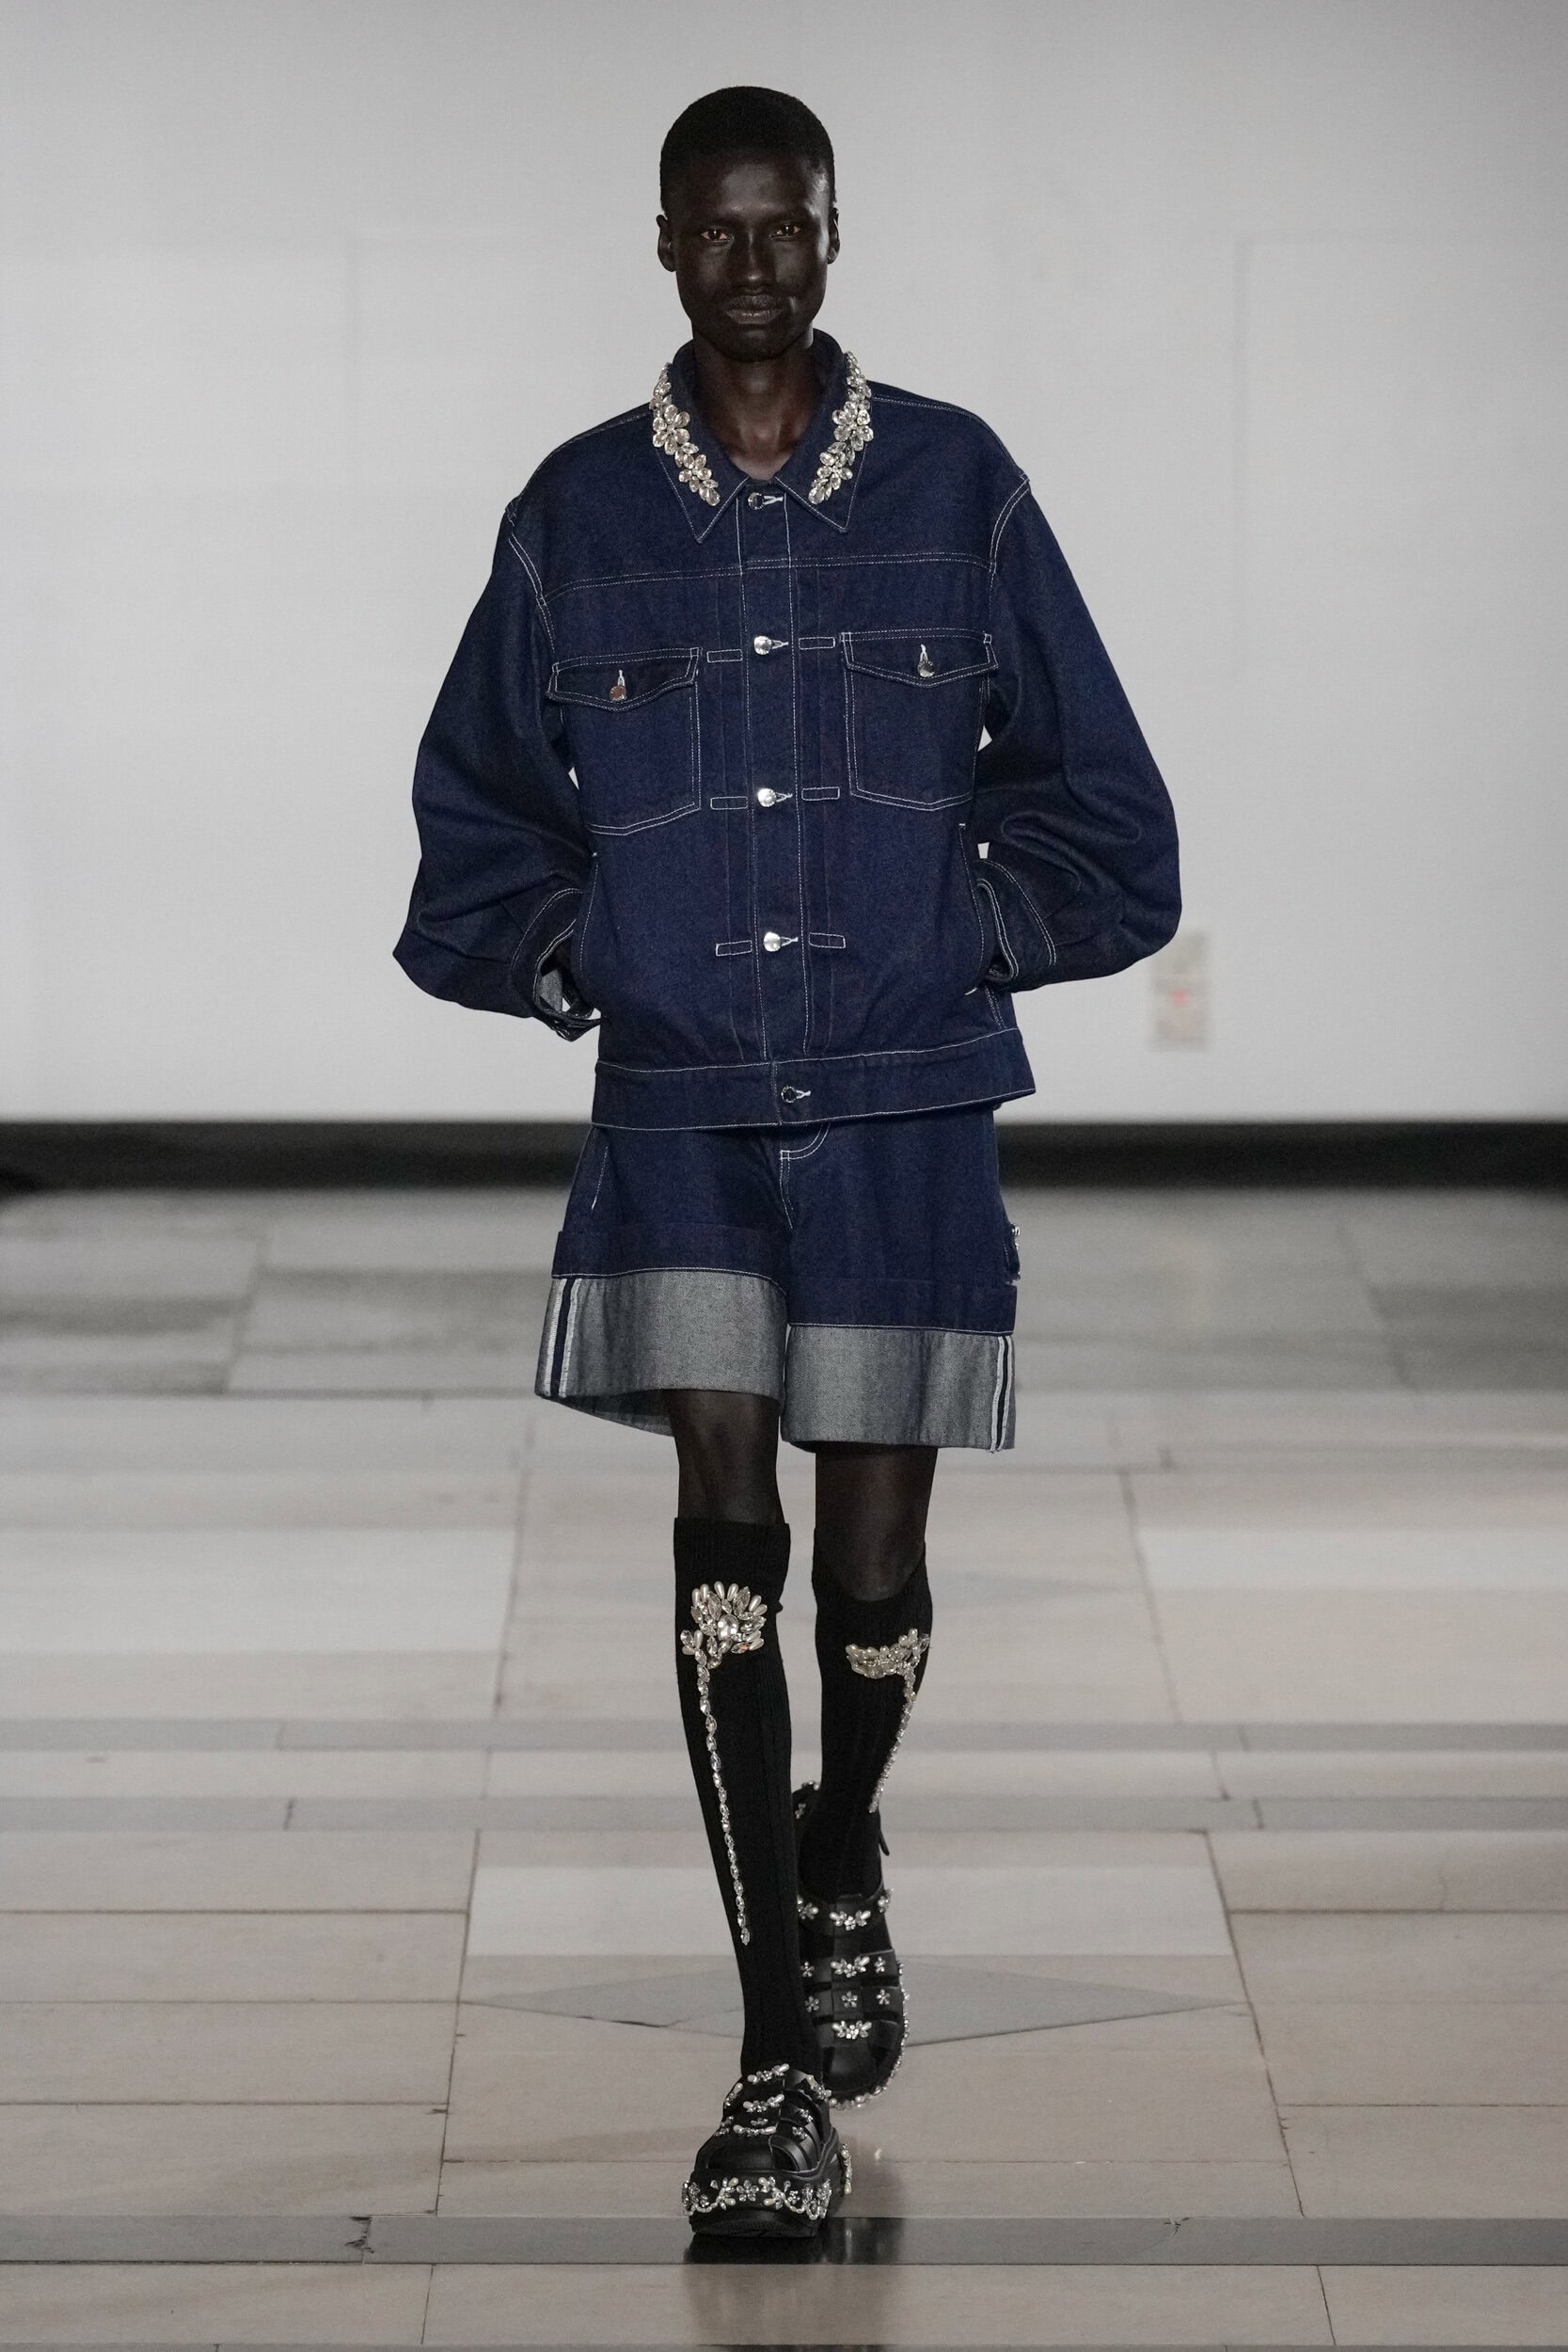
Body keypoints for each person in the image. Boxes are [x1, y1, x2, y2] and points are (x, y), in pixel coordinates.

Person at [396, 85, 1179, 2240]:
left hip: (905, 1101)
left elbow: (1117, 818)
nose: (754, 262)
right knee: (721, 1531)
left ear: (834, 234)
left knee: (871, 1571)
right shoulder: (576, 514)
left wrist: (962, 931)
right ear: (664, 241)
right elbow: (472, 817)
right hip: (685, 1111)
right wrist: (590, 953)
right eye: (718, 228)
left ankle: (843, 1847)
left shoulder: (958, 487)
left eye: (788, 225)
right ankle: (767, 2064)